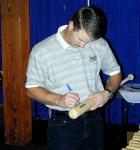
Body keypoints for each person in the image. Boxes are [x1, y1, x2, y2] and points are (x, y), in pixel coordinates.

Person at [25, 6, 122, 150]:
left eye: (88, 42)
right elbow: (31, 89)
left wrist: (107, 93)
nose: (83, 46)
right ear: (71, 25)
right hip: (63, 124)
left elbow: (115, 74)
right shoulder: (41, 51)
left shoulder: (99, 43)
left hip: (95, 119)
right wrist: (59, 99)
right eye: (81, 39)